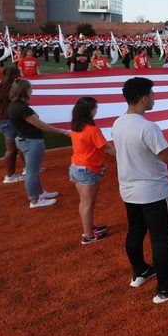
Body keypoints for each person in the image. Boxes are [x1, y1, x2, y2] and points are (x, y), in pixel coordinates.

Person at [112, 77, 168, 303]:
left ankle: (140, 271)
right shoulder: (148, 127)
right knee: (160, 238)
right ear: (144, 99)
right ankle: (165, 287)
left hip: (129, 190)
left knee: (135, 232)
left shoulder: (118, 122)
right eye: (152, 94)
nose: (154, 98)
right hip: (154, 192)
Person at [7, 79, 70, 208]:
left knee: (32, 171)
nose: (32, 91)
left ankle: (39, 193)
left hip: (23, 139)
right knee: (32, 172)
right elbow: (41, 125)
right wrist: (63, 131)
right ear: (25, 91)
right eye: (30, 89)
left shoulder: (13, 105)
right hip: (31, 141)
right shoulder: (22, 108)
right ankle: (34, 200)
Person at [69, 97, 116, 244]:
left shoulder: (76, 126)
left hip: (76, 167)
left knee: (84, 202)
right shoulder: (92, 129)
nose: (96, 110)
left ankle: (89, 227)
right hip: (88, 169)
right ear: (89, 111)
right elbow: (106, 148)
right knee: (87, 203)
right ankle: (88, 235)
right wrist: (125, 155)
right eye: (95, 108)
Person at [0, 67, 24, 183]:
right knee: (12, 149)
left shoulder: (1, 85)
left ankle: (25, 170)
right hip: (8, 121)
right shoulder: (12, 87)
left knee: (18, 146)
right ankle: (10, 175)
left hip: (0, 120)